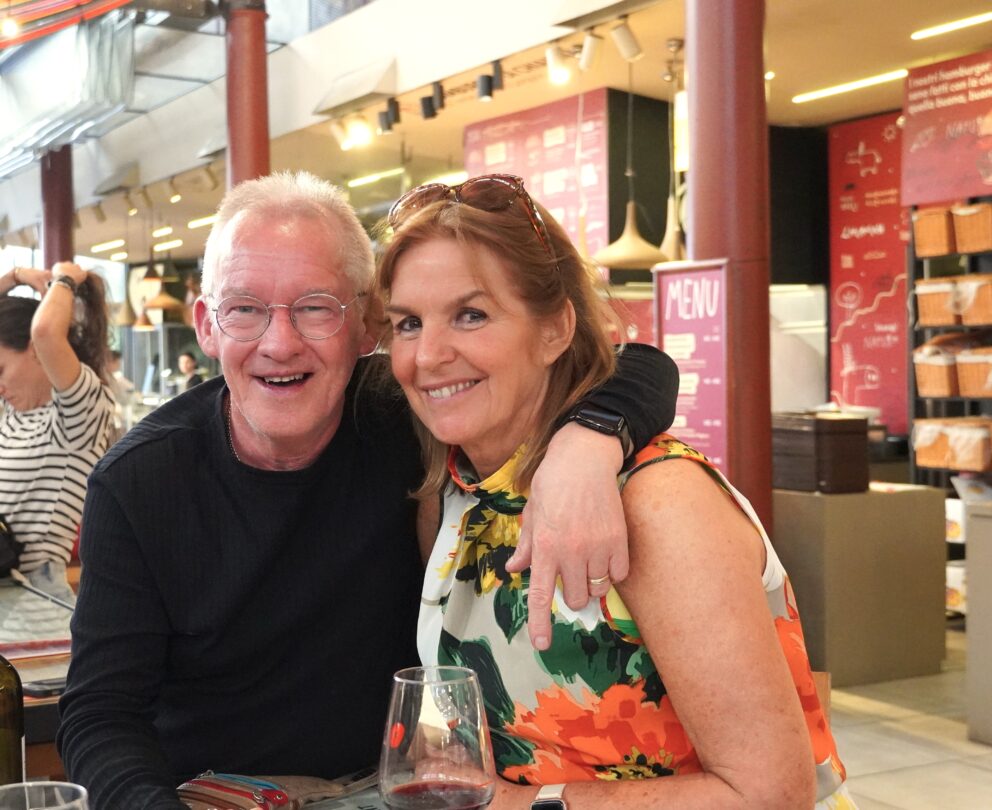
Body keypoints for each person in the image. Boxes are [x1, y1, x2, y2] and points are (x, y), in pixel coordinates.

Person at [57, 171, 679, 809]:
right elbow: (101, 712)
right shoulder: (140, 480)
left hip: (393, 787)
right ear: (207, 326)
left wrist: (588, 441)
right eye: (244, 309)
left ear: (366, 325)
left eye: (315, 307)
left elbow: (636, 364)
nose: (279, 342)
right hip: (213, 791)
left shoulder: (406, 412)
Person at [375, 174, 855, 809]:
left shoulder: (657, 502)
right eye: (408, 323)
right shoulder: (453, 492)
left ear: (555, 329)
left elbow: (768, 794)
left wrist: (511, 804)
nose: (428, 354)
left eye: (471, 314)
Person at [0, 264, 116, 606]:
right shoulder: (12, 413)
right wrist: (15, 276)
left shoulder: (77, 416)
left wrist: (64, 278)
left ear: (35, 351)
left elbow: (47, 331)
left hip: (34, 603)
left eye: (1, 369)